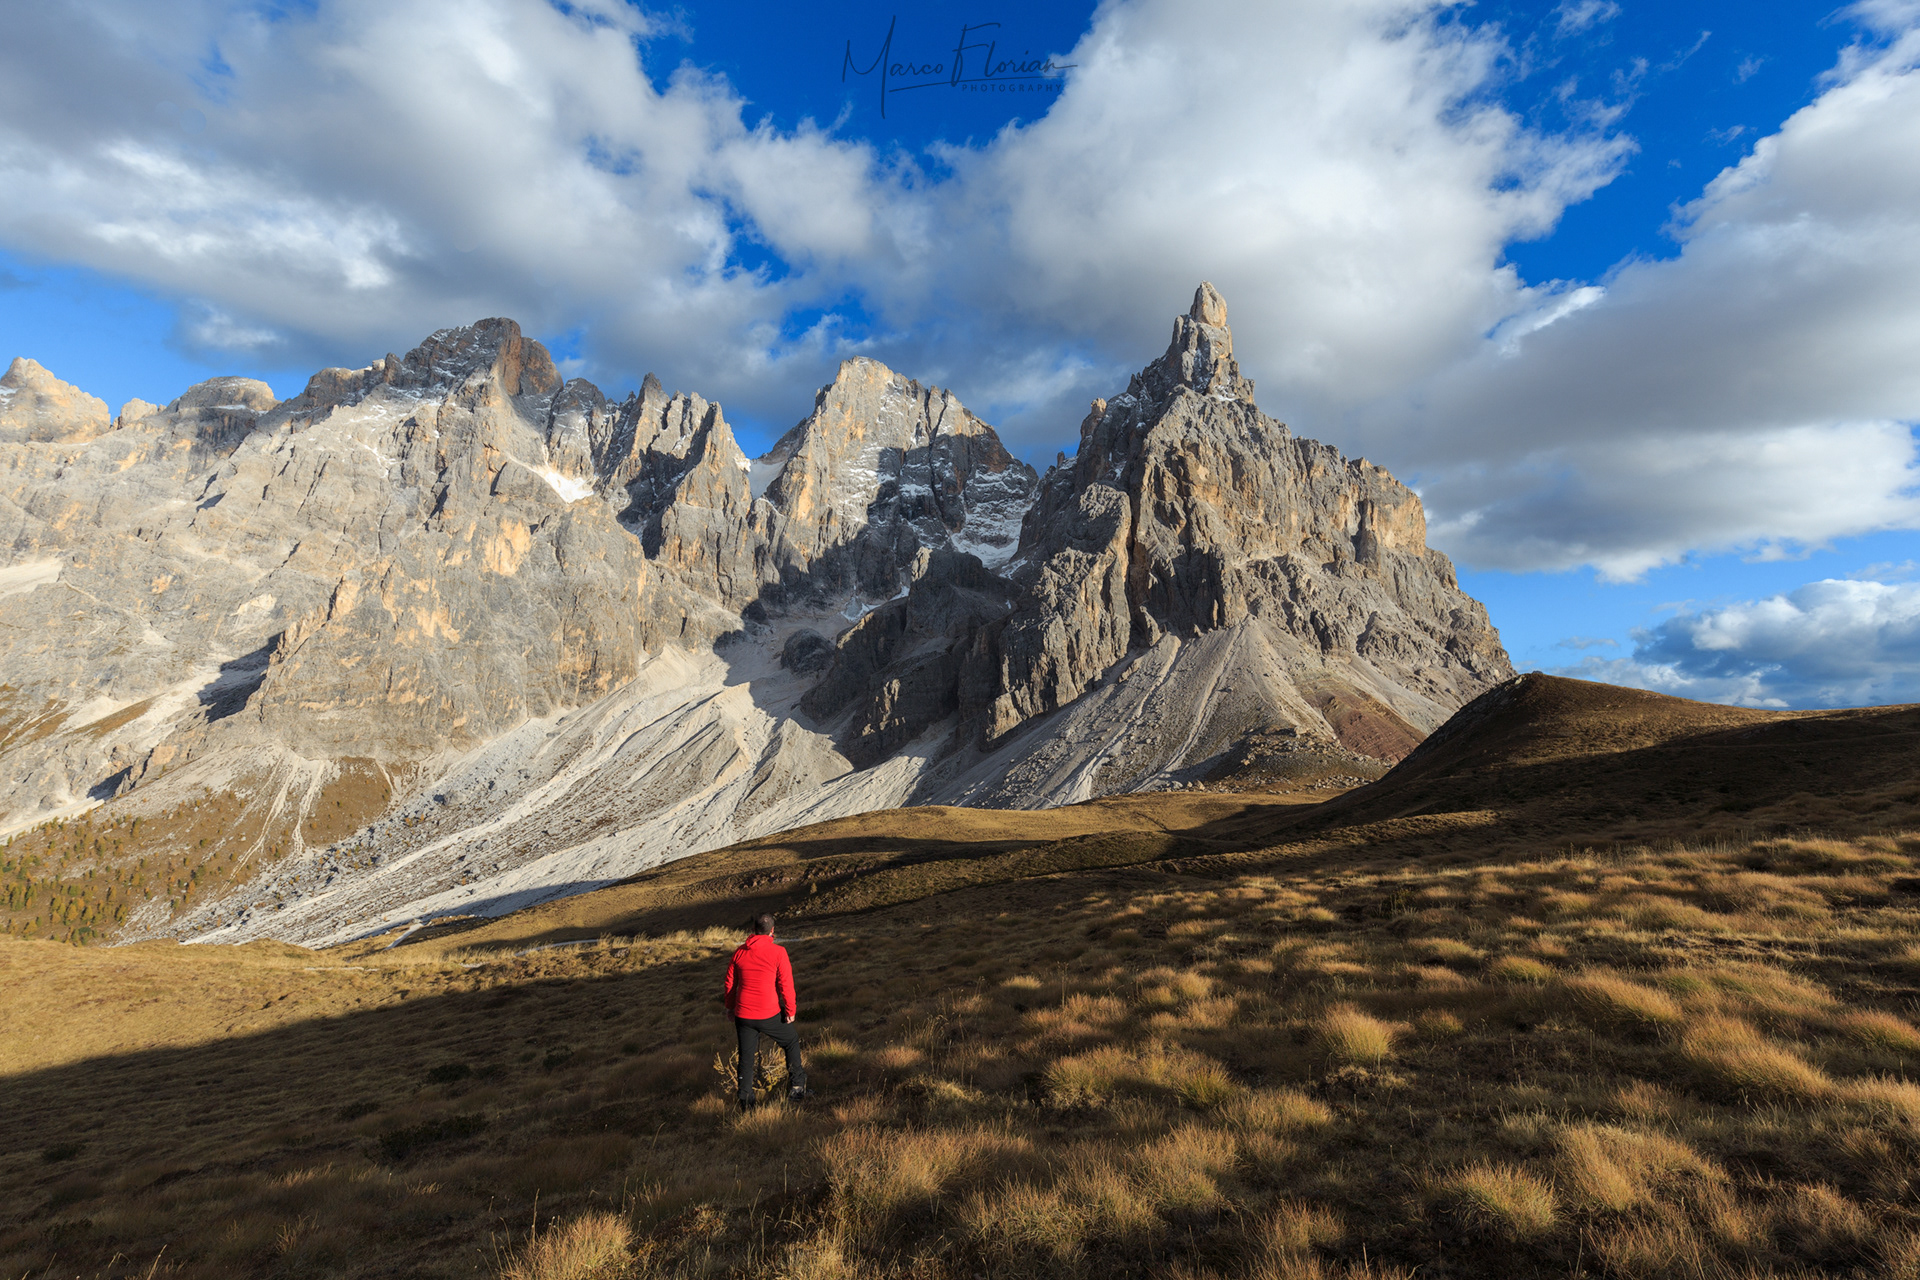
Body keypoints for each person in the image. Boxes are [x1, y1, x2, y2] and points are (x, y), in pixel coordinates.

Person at [723, 912, 810, 1110]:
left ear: (753, 930)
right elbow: (786, 984)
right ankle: (797, 1088)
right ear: (772, 931)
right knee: (790, 1041)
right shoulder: (778, 952)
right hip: (769, 1013)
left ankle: (746, 1103)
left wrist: (730, 1008)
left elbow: (730, 984)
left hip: (743, 1014)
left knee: (746, 1057)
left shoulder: (739, 952)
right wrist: (790, 1010)